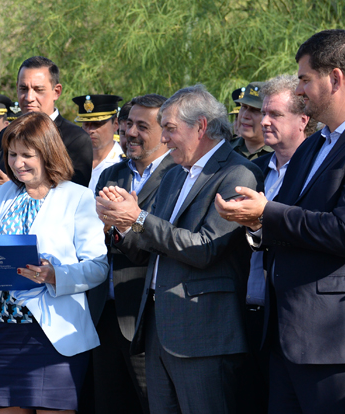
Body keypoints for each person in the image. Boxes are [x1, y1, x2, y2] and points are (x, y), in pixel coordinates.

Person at [216, 29, 345, 414]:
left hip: (342, 345)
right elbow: (285, 216)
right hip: (289, 338)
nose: (301, 90)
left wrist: (266, 213)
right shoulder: (314, 144)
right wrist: (255, 225)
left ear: (336, 79)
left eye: (305, 79)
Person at [96, 84, 263, 413]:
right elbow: (147, 249)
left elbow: (204, 249)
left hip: (203, 335)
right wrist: (120, 224)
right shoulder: (174, 176)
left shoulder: (237, 173)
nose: (165, 138)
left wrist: (139, 217)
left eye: (170, 129)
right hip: (159, 331)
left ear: (200, 126)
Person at [0, 111, 108, 413]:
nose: (17, 163)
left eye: (27, 155)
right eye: (11, 154)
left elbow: (98, 267)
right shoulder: (6, 192)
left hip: (55, 332)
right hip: (4, 327)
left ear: (47, 153)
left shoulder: (78, 197)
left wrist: (54, 275)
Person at [87, 93, 174, 414]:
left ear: (165, 131)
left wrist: (121, 226)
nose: (130, 133)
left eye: (141, 126)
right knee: (107, 402)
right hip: (102, 311)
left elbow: (160, 242)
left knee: (150, 403)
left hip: (144, 318)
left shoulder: (176, 177)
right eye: (126, 124)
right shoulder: (114, 174)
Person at [241, 74, 314, 414]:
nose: (263, 121)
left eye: (275, 114)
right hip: (253, 309)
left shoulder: (317, 169)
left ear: (303, 120)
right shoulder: (255, 170)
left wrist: (261, 222)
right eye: (263, 113)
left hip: (299, 316)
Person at [0, 56, 93, 215]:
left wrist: (11, 190)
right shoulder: (6, 136)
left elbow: (73, 202)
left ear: (56, 92)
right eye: (23, 89)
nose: (29, 98)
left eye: (38, 89)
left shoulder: (76, 139)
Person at [72, 94, 123, 190]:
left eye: (97, 124)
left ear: (115, 124)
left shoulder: (123, 163)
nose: (90, 130)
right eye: (86, 124)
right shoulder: (72, 160)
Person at [232, 82, 272, 160]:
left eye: (255, 110)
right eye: (243, 107)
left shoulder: (278, 155)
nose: (245, 115)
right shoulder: (226, 149)